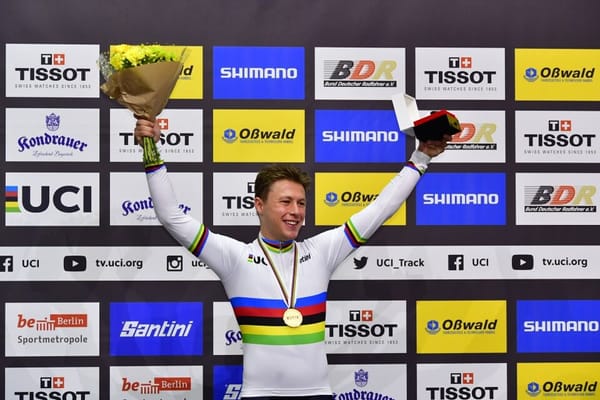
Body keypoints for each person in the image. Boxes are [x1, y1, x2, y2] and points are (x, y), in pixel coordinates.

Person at [134, 118, 451, 400]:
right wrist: (150, 149)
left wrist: (421, 157)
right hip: (259, 395)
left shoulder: (321, 251)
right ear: (259, 205)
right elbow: (171, 216)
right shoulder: (235, 258)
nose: (296, 211)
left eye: (301, 203)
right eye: (285, 202)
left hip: (318, 394)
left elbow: (380, 209)